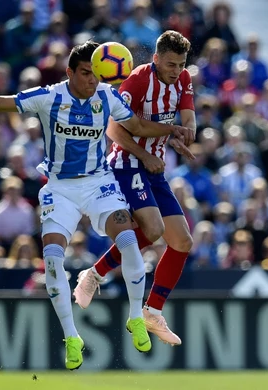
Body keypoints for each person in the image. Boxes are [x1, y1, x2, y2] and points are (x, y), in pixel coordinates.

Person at [0, 40, 194, 369]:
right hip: (60, 188)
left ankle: (137, 316)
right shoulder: (49, 97)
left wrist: (173, 129)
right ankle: (72, 336)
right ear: (69, 73)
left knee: (133, 242)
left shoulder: (106, 95)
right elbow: (0, 103)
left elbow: (135, 126)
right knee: (52, 262)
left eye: (95, 74)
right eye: (85, 74)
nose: (92, 81)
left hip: (99, 183)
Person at [74, 30, 196, 347]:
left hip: (154, 168)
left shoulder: (183, 79)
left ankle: (153, 312)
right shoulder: (138, 81)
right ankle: (95, 274)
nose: (176, 70)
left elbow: (188, 119)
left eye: (181, 64)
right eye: (170, 64)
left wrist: (184, 136)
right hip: (128, 162)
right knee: (153, 229)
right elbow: (115, 128)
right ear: (156, 59)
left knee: (182, 241)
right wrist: (144, 152)